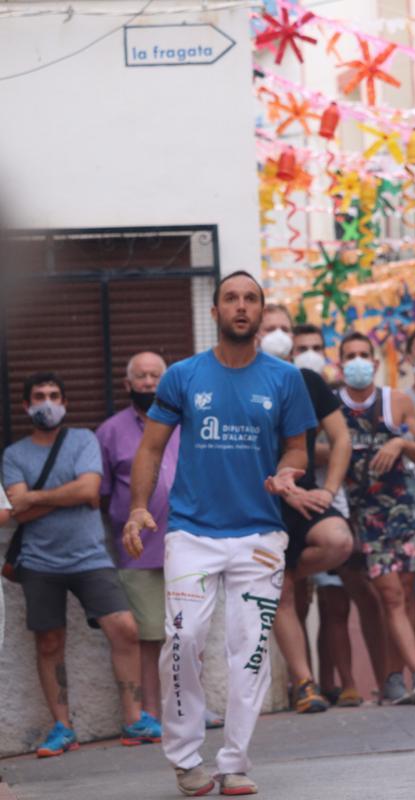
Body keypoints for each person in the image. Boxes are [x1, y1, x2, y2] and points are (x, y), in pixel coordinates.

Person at [123, 271, 316, 796]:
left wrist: (287, 472)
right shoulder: (183, 376)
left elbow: (297, 447)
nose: (241, 306)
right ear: (215, 313)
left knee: (249, 649)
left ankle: (234, 761)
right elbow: (151, 449)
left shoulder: (285, 379)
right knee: (182, 639)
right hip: (191, 532)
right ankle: (186, 759)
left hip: (259, 536)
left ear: (260, 311)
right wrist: (140, 507)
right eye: (231, 298)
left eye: (251, 299)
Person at [3, 372, 155, 758]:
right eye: (39, 396)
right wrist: (66, 494)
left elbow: (89, 491)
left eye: (54, 395)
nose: (47, 403)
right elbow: (16, 509)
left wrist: (37, 499)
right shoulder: (14, 455)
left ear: (66, 402)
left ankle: (134, 719)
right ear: (25, 405)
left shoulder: (84, 440)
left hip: (90, 557)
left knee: (124, 628)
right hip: (39, 561)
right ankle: (62, 727)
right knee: (49, 642)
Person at [259, 307, 355, 714]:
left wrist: (329, 490)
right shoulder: (246, 381)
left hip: (308, 496)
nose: (279, 335)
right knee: (280, 594)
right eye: (271, 329)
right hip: (261, 500)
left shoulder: (307, 380)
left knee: (338, 542)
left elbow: (341, 438)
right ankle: (304, 683)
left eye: (285, 329)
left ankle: (292, 568)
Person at [337, 331, 415, 706]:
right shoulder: (333, 408)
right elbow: (317, 449)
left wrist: (400, 442)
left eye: (364, 354)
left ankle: (395, 678)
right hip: (366, 512)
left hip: (404, 506)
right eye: (351, 355)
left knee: (407, 594)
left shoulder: (395, 401)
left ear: (375, 364)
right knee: (391, 595)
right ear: (340, 363)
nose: (358, 361)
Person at [96, 352, 179, 732]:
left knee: (187, 632)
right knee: (149, 638)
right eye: (141, 377)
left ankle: (187, 710)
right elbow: (103, 494)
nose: (148, 383)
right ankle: (151, 713)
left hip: (187, 546)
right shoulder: (109, 432)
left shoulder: (184, 425)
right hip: (139, 552)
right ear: (128, 384)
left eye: (155, 376)